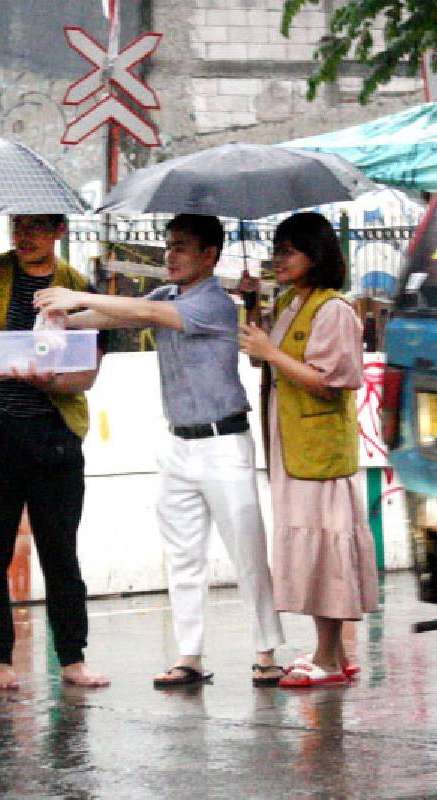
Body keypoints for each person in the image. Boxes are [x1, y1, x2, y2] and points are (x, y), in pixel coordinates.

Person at [34, 213, 286, 689]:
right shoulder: (165, 295)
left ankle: (266, 652)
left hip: (223, 441)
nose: (170, 255)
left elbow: (147, 316)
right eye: (169, 245)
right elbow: (118, 313)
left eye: (182, 247)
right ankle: (189, 656)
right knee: (184, 555)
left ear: (210, 255)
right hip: (178, 441)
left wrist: (79, 297)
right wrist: (64, 316)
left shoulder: (213, 304)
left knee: (248, 553)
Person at [0, 213, 109, 691]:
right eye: (18, 225)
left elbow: (88, 375)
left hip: (54, 434)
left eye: (37, 227)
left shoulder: (78, 287)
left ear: (58, 230)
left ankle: (72, 657)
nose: (25, 236)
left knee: (61, 550)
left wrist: (51, 380)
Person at [238, 211, 377, 688]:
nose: (280, 260)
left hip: (317, 450)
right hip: (293, 444)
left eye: (290, 251)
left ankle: (329, 656)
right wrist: (254, 308)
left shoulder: (332, 309)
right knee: (314, 546)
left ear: (316, 256)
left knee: (326, 549)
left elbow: (330, 382)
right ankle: (332, 653)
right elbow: (270, 357)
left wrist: (272, 353)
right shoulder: (294, 303)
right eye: (277, 250)